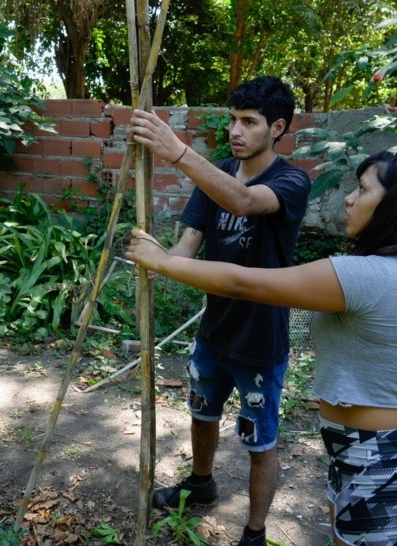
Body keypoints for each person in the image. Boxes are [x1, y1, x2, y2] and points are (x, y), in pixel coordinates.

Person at [125, 150, 397, 546]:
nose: (349, 199)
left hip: (376, 451)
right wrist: (168, 260)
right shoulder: (378, 270)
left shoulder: (366, 276)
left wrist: (163, 263)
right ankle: (202, 483)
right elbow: (196, 240)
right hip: (353, 448)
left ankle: (255, 531)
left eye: (362, 189)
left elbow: (245, 282)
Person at [129, 76, 312, 546]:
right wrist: (159, 262)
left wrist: (178, 151)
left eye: (249, 122)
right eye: (233, 120)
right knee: (201, 412)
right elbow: (188, 242)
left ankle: (254, 531)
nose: (236, 130)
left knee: (260, 440)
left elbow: (244, 201)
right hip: (214, 331)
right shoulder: (219, 172)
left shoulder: (291, 181)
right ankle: (202, 481)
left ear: (277, 128)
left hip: (259, 340)